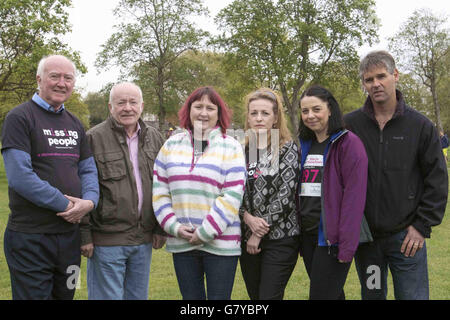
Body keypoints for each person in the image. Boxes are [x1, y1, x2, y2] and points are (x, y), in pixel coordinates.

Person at [344, 50, 448, 300]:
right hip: (367, 242)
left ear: (395, 75)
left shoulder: (420, 126)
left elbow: (437, 180)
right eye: (369, 80)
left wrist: (421, 226)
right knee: (373, 296)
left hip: (406, 240)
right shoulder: (350, 126)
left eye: (381, 76)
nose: (376, 84)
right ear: (364, 84)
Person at [1, 54, 99, 300]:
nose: (61, 83)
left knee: (68, 294)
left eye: (68, 78)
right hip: (30, 239)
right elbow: (20, 177)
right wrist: (67, 205)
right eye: (54, 76)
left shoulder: (75, 123)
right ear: (39, 79)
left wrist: (89, 202)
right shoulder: (19, 118)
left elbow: (87, 169)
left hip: (69, 240)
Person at [152, 86, 246, 300]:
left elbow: (231, 196)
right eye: (198, 106)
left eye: (210, 108)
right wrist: (173, 227)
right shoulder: (170, 145)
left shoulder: (231, 147)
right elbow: (160, 192)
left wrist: (204, 232)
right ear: (189, 110)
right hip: (182, 242)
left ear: (219, 114)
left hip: (221, 244)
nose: (203, 112)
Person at [80, 82, 166, 300]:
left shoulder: (155, 138)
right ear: (110, 107)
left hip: (143, 241)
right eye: (121, 103)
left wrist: (160, 228)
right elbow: (83, 188)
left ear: (142, 106)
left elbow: (164, 185)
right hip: (106, 242)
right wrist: (84, 234)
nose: (127, 107)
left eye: (133, 102)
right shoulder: (92, 139)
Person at [298, 85, 369, 300]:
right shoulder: (304, 144)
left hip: (331, 239)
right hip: (307, 236)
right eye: (305, 111)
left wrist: (346, 246)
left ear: (330, 109)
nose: (310, 116)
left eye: (316, 109)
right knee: (333, 295)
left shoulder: (348, 143)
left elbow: (354, 199)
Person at [238, 88, 300, 300]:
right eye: (254, 113)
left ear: (275, 118)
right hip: (247, 237)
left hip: (280, 238)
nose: (258, 118)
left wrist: (258, 231)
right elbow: (231, 190)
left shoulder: (287, 148)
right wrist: (246, 218)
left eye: (265, 113)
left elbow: (286, 194)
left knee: (268, 297)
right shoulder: (242, 150)